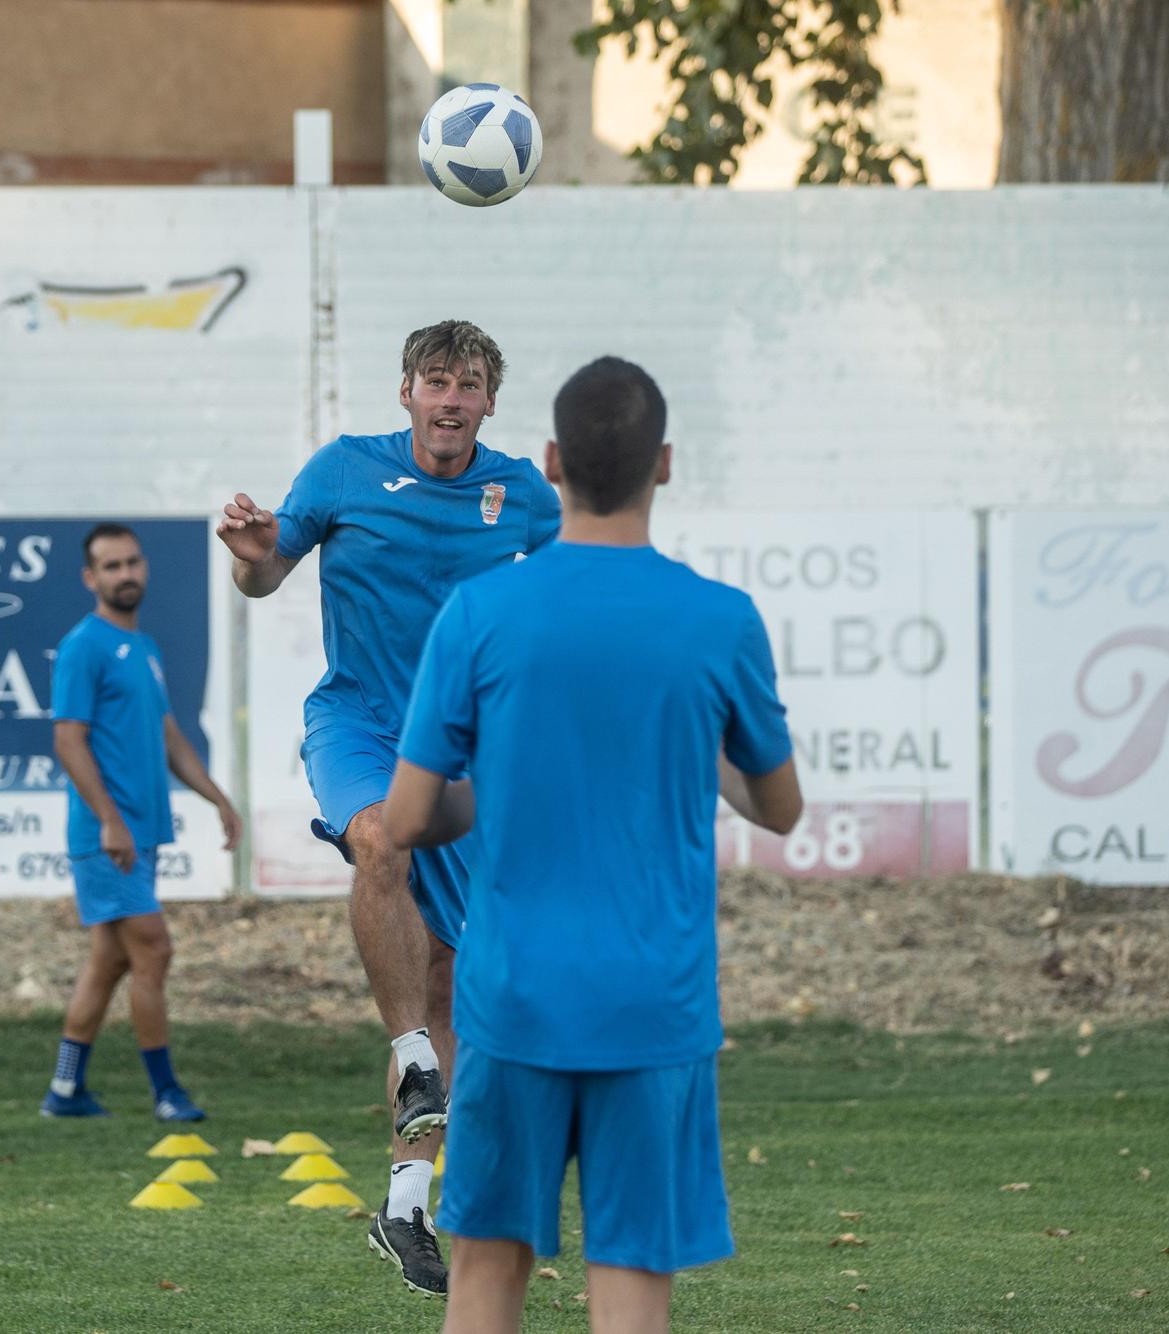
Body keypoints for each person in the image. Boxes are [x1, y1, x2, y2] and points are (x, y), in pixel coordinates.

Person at [381, 356, 804, 1334]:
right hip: (653, 1003)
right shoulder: (718, 618)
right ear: (663, 464)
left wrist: (488, 780)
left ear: (549, 461)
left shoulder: (481, 611)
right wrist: (697, 746)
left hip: (513, 996)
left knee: (485, 1270)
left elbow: (407, 819)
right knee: (630, 1280)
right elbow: (776, 806)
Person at [218, 321, 560, 1296]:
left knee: (448, 978)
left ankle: (405, 1205)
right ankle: (408, 1049)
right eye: (435, 380)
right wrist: (250, 556)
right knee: (377, 839)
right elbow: (262, 571)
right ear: (405, 391)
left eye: (468, 384)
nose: (450, 399)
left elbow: (576, 581)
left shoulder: (520, 496)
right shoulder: (342, 471)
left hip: (466, 745)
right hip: (360, 721)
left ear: (489, 402)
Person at [40, 523, 242, 1123]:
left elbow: (168, 736)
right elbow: (67, 741)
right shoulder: (84, 646)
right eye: (110, 566)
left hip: (139, 833)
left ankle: (65, 1091)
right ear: (90, 578)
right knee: (154, 949)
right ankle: (166, 1092)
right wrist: (110, 821)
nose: (124, 574)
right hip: (110, 838)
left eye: (132, 562)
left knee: (111, 960)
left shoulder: (144, 647)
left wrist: (218, 799)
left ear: (144, 568)